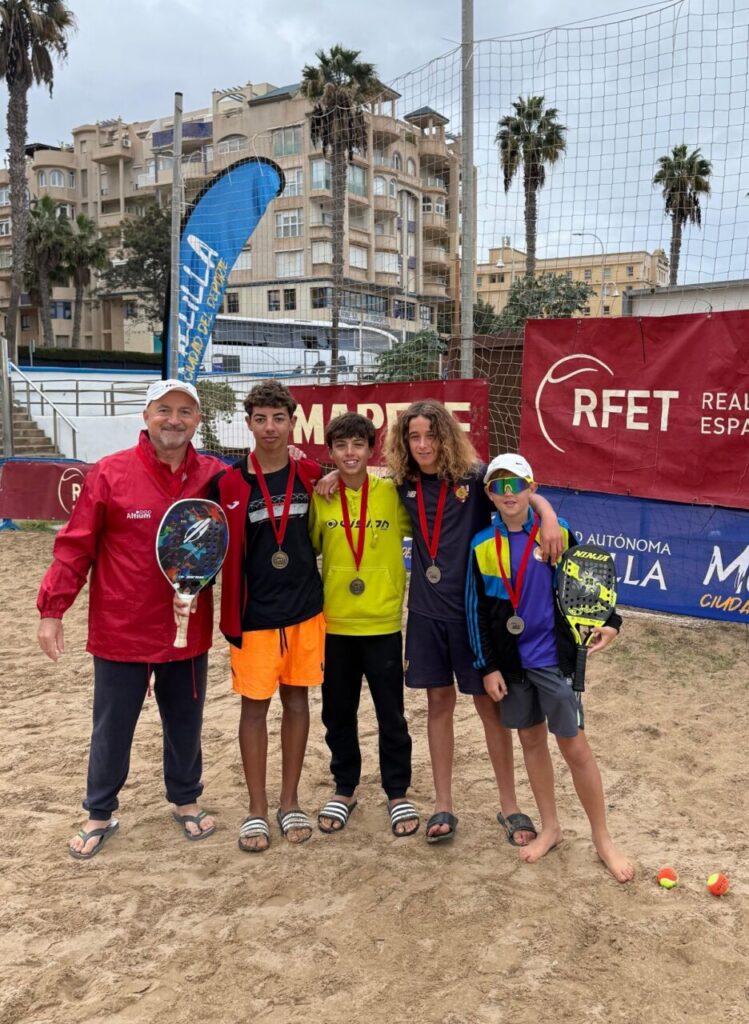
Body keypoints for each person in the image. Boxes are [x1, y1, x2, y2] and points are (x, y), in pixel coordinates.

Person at [37, 379, 224, 860]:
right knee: (112, 727)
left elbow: (264, 490)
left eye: (186, 412)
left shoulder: (214, 476)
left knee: (185, 723)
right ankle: (99, 811)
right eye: (165, 410)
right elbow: (76, 545)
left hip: (187, 631)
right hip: (121, 629)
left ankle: (185, 799)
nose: (175, 420)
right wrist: (53, 610)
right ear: (146, 416)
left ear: (198, 421)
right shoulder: (110, 473)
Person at [383, 399, 563, 844]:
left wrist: (548, 514)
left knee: (490, 706)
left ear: (447, 436)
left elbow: (519, 487)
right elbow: (352, 481)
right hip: (425, 614)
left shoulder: (473, 476)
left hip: (470, 615)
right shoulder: (402, 481)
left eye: (431, 435)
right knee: (438, 704)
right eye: (414, 436)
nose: (423, 444)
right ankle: (443, 804)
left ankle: (510, 806)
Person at [465, 453, 635, 882]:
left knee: (575, 747)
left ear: (532, 489)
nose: (508, 494)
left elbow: (592, 585)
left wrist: (611, 623)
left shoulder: (557, 535)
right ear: (489, 494)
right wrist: (487, 666)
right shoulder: (482, 545)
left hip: (554, 663)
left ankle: (603, 839)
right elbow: (477, 610)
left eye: (516, 485)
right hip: (512, 667)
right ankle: (551, 828)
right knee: (531, 742)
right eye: (498, 487)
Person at [212, 380, 324, 853]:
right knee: (254, 709)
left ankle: (289, 801)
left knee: (298, 705)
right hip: (253, 616)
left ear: (292, 421)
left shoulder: (313, 474)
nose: (270, 427)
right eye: (261, 418)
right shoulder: (229, 482)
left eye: (279, 418)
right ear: (249, 422)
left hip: (304, 611)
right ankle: (257, 809)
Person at [309, 412, 418, 837]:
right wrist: (322, 478)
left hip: (383, 623)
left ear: (370, 449)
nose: (350, 453)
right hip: (335, 625)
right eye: (341, 446)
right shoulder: (322, 497)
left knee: (392, 714)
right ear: (331, 452)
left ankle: (397, 792)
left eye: (358, 445)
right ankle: (345, 788)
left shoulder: (391, 494)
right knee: (338, 713)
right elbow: (310, 546)